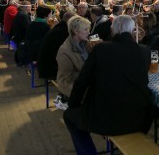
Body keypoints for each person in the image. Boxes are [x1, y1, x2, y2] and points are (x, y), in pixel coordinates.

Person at [63, 15, 152, 154]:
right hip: (139, 118)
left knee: (69, 115)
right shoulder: (145, 51)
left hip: (106, 119)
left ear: (112, 30)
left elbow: (82, 81)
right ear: (132, 31)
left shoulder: (100, 49)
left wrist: (73, 103)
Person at [56, 16, 92, 110]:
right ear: (76, 31)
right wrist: (90, 76)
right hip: (68, 83)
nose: (89, 32)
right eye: (86, 29)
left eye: (89, 29)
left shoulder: (85, 43)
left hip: (83, 78)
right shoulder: (64, 51)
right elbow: (69, 76)